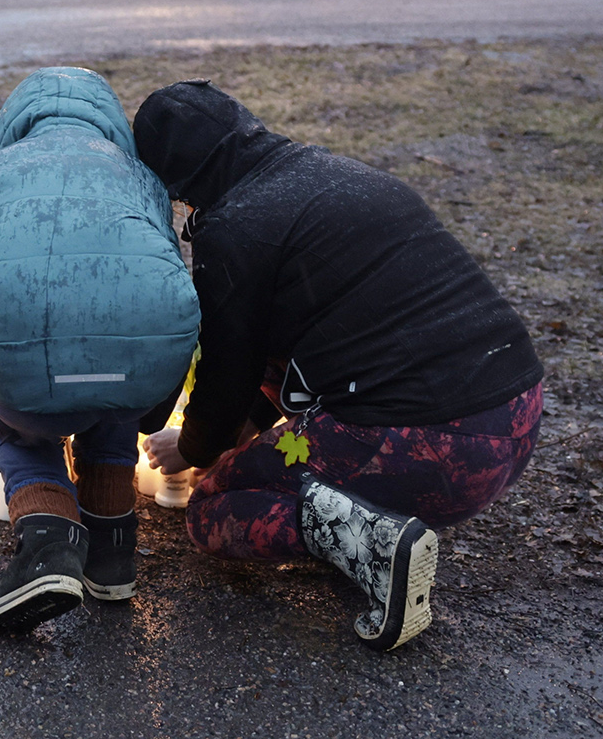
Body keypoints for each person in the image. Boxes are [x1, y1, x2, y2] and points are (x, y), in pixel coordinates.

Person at [132, 80, 543, 652]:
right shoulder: (332, 173)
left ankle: (372, 544)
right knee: (273, 399)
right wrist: (240, 434)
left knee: (213, 509)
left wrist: (199, 449)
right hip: (516, 413)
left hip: (431, 443)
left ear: (175, 180)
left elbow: (228, 371)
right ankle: (362, 519)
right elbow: (263, 361)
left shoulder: (235, 227)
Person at [0, 67, 200, 633]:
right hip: (141, 377)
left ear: (12, 124)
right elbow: (163, 278)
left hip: (27, 376)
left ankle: (49, 549)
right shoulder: (142, 178)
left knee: (17, 431)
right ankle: (112, 554)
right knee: (110, 407)